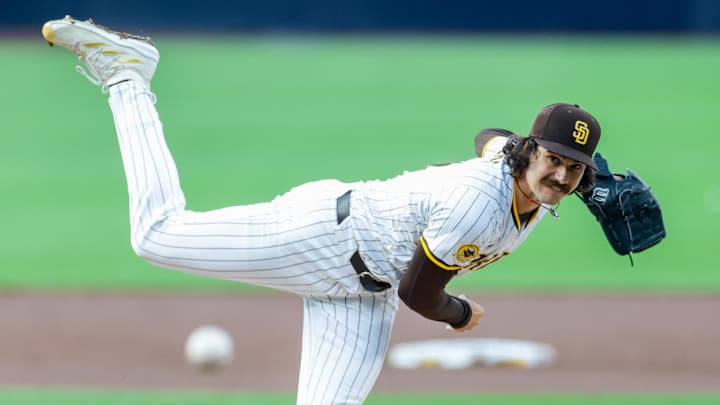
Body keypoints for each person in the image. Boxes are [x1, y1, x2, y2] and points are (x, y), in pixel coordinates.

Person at [42, 16, 602, 405]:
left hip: (365, 295)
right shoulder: (479, 207)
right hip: (323, 238)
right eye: (554, 159)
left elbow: (490, 135)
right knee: (156, 236)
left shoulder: (517, 167)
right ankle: (128, 76)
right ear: (531, 151)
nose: (561, 175)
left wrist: (554, 170)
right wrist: (459, 314)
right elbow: (419, 294)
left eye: (575, 168)